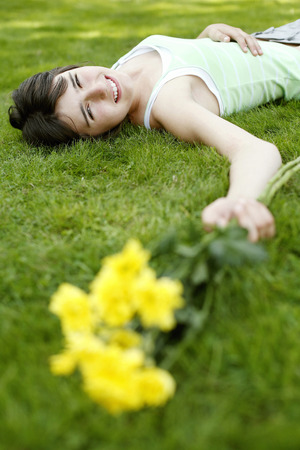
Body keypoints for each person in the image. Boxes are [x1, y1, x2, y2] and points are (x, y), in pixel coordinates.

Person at [8, 22, 300, 243]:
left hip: (279, 34)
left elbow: (197, 63)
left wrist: (209, 33)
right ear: (94, 135)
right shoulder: (169, 103)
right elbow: (254, 150)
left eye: (76, 81)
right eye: (89, 111)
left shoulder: (120, 69)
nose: (99, 88)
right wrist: (241, 201)